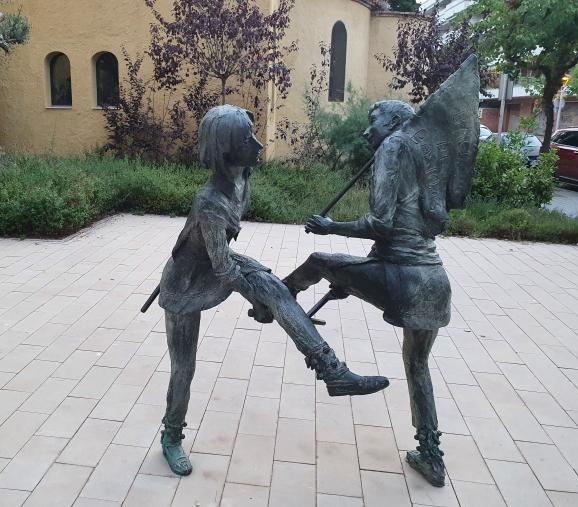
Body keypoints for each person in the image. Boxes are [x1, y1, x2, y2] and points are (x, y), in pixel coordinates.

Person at [157, 105, 389, 476]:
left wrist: (264, 296)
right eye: (247, 139)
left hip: (218, 260)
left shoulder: (241, 180)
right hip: (186, 283)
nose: (258, 143)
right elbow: (224, 268)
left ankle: (332, 370)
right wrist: (255, 299)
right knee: (184, 368)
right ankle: (171, 436)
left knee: (275, 288)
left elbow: (223, 258)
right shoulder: (211, 201)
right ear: (227, 149)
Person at [283, 100, 453, 487]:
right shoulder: (425, 155)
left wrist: (330, 227)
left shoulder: (393, 147)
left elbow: (380, 224)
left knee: (318, 260)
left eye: (372, 121)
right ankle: (431, 456)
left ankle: (274, 302)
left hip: (400, 279)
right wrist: (355, 281)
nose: (366, 131)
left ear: (393, 122)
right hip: (434, 281)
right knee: (418, 366)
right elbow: (418, 226)